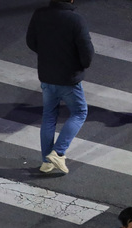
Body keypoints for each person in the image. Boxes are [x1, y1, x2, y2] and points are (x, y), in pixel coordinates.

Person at [26, 0, 94, 175]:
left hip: (47, 75)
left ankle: (46, 161)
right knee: (80, 112)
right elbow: (87, 55)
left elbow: (31, 41)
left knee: (49, 116)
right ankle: (58, 152)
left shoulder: (39, 14)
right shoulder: (76, 20)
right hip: (68, 79)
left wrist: (48, 54)